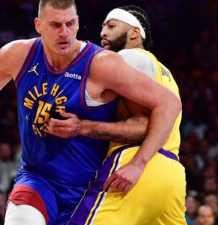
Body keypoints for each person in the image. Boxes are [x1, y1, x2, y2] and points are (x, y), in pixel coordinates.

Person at [0, 1, 181, 225]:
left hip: (87, 188)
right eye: (55, 25)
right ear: (38, 25)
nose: (64, 33)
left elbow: (168, 104)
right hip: (36, 178)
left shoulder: (103, 64)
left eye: (70, 24)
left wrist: (138, 163)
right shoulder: (18, 53)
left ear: (77, 22)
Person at [43, 5, 186, 225]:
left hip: (134, 164)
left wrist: (83, 126)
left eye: (111, 26)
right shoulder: (165, 73)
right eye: (102, 27)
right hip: (172, 175)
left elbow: (142, 125)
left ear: (134, 33)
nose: (103, 33)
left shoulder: (128, 57)